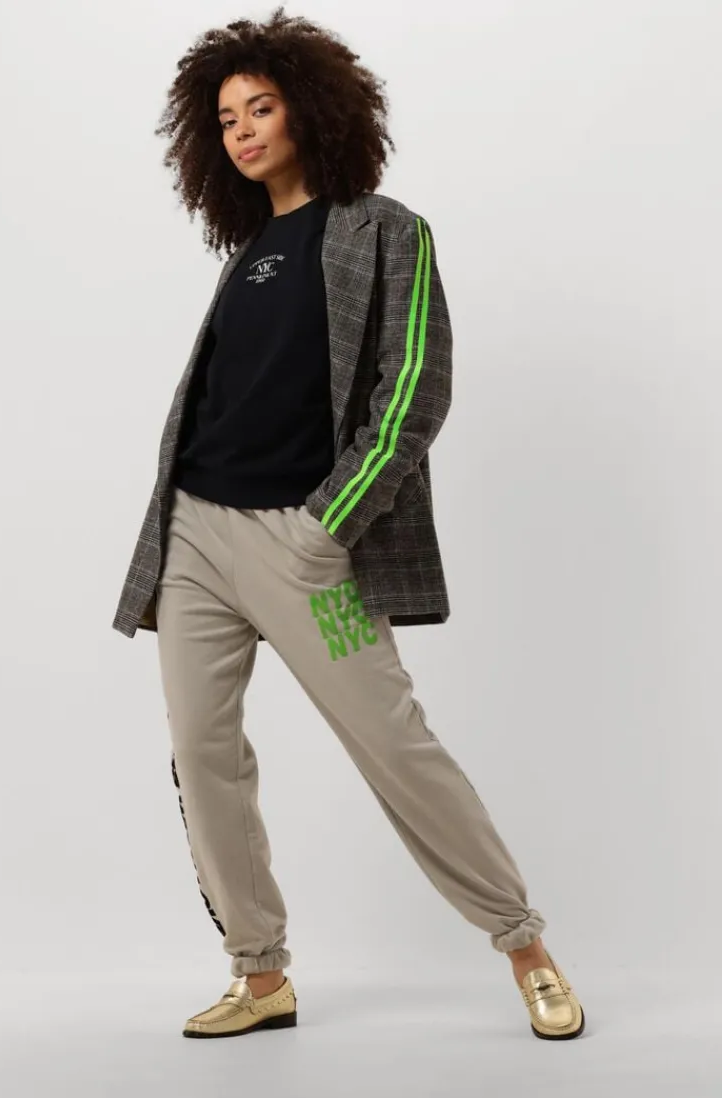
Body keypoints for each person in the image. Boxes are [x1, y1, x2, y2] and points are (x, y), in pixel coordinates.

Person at [111, 6, 585, 1042]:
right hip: (195, 538)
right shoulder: (247, 248)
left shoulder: (385, 231)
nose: (242, 131)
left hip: (306, 549)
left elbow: (413, 391)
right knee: (201, 752)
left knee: (393, 744)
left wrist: (327, 527)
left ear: (312, 108)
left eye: (260, 107)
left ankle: (525, 945)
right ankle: (259, 974)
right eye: (225, 117)